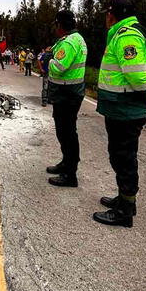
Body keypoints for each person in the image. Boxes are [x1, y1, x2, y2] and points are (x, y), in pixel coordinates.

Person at [94, 0, 146, 228]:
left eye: (107, 12)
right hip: (121, 108)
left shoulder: (126, 36)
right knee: (119, 155)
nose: (105, 17)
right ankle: (124, 199)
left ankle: (125, 211)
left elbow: (138, 77)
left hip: (126, 109)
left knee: (124, 158)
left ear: (112, 14)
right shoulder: (122, 33)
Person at [46, 10, 87, 187]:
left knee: (67, 132)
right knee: (66, 131)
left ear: (60, 25)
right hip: (70, 92)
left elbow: (59, 67)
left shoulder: (69, 43)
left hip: (67, 94)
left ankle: (70, 174)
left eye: (56, 25)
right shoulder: (77, 38)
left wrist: (48, 59)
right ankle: (66, 163)